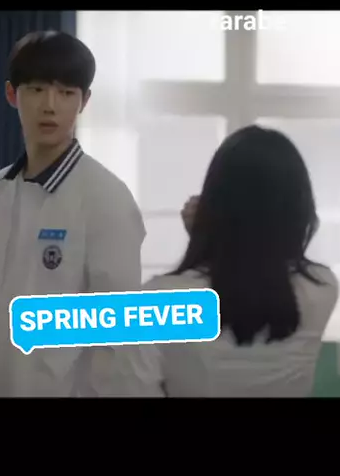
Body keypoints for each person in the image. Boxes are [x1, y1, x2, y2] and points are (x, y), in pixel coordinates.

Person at [0, 31, 162, 397]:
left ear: (84, 101)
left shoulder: (105, 198)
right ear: (11, 94)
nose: (49, 105)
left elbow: (121, 341)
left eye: (66, 93)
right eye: (36, 89)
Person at [144, 125, 338, 397]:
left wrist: (203, 237)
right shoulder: (323, 286)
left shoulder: (162, 297)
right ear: (299, 209)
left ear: (213, 206)